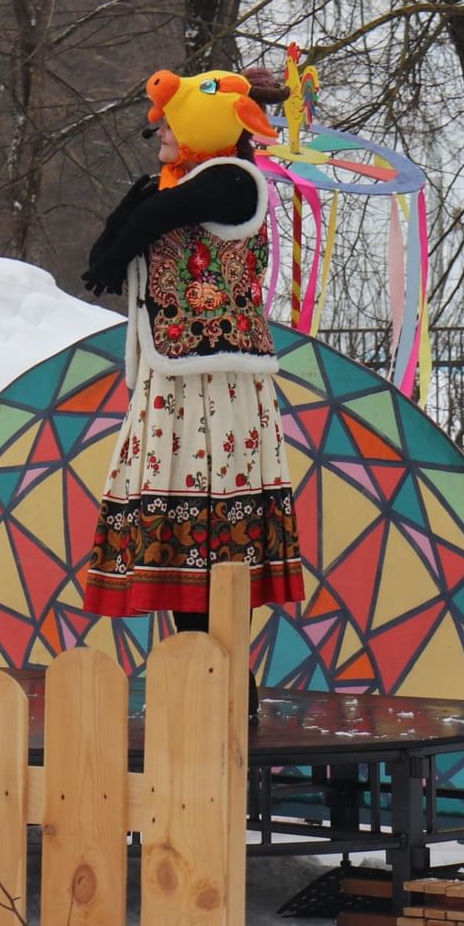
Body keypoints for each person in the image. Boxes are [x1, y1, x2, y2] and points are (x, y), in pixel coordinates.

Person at [78, 70, 304, 720]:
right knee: (178, 539)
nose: (161, 135)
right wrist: (129, 212)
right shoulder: (180, 184)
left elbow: (160, 216)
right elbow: (114, 245)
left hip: (216, 385)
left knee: (213, 538)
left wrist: (137, 211)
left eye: (172, 122)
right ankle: (207, 673)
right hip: (171, 384)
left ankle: (228, 683)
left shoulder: (236, 183)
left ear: (205, 128)